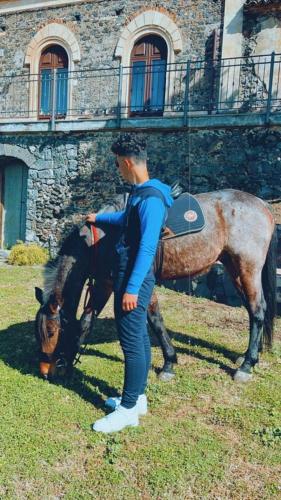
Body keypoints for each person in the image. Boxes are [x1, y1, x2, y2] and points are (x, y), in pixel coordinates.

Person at [85, 133, 173, 433]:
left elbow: (147, 247)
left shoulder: (150, 199)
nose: (117, 170)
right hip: (128, 272)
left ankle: (126, 411)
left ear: (126, 162)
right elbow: (126, 219)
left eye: (117, 165)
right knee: (138, 336)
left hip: (134, 275)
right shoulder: (141, 192)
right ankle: (138, 399)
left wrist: (133, 289)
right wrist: (99, 218)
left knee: (131, 340)